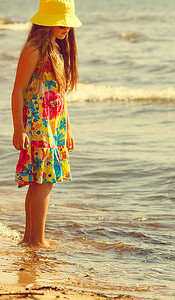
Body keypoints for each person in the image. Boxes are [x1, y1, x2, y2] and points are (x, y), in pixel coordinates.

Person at [11, 0, 82, 247]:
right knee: (43, 180)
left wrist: (68, 128)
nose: (66, 28)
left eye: (68, 23)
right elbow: (18, 90)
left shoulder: (56, 51)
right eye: (61, 22)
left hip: (54, 125)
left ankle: (30, 238)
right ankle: (36, 240)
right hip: (38, 123)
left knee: (40, 180)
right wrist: (19, 129)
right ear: (46, 21)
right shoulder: (34, 49)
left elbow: (59, 94)